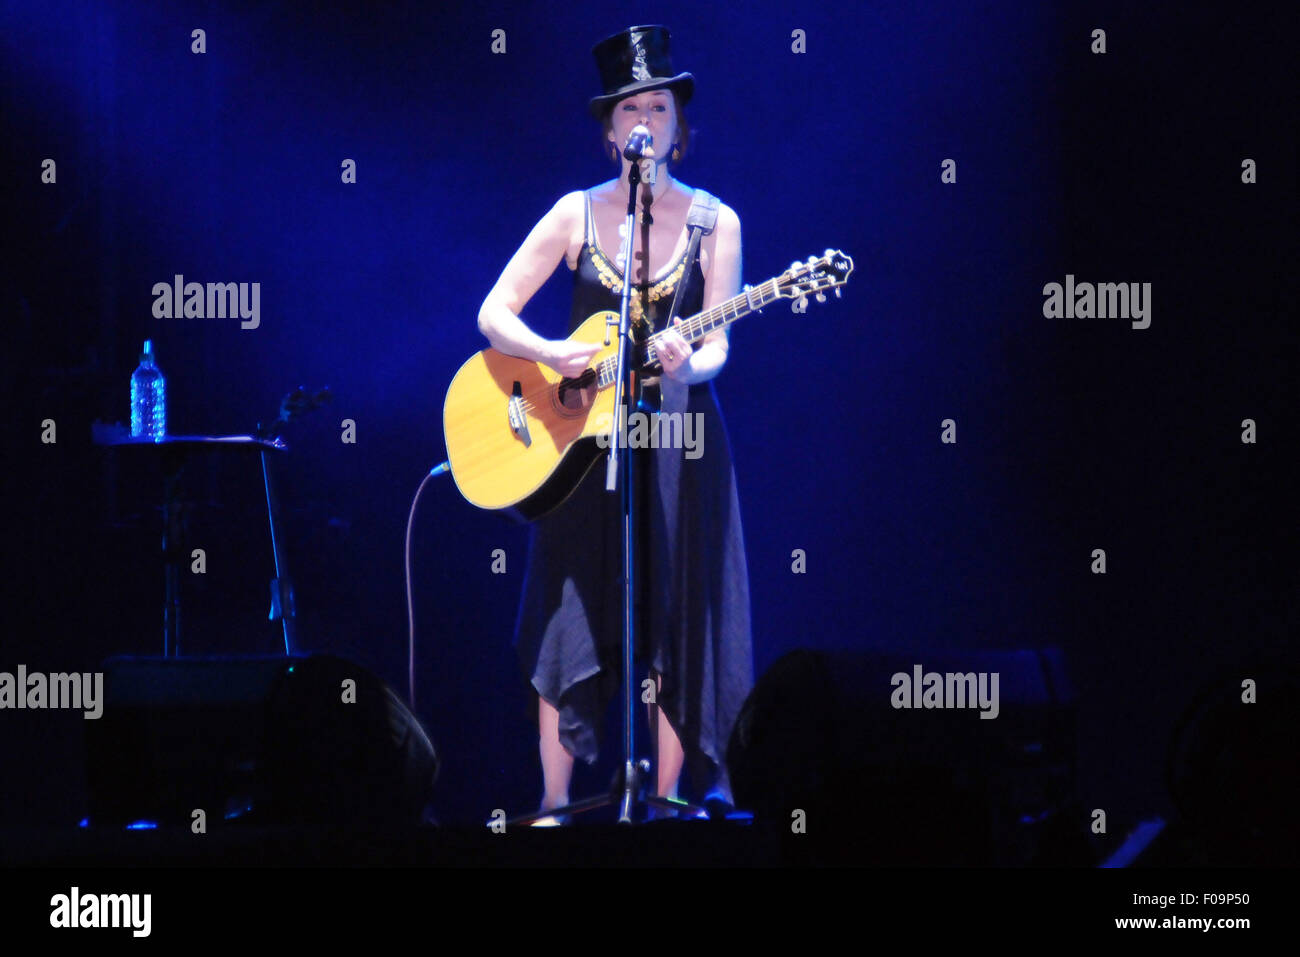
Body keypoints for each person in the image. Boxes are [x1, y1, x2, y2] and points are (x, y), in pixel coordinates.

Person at [476, 25, 753, 823]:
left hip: (676, 442)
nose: (647, 117)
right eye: (631, 105)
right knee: (569, 610)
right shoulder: (575, 215)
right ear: (610, 128)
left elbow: (718, 346)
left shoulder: (716, 224)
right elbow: (493, 312)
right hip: (578, 446)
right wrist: (553, 352)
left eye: (660, 104)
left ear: (678, 123)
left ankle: (664, 798)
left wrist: (684, 361)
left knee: (672, 606)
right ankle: (555, 804)